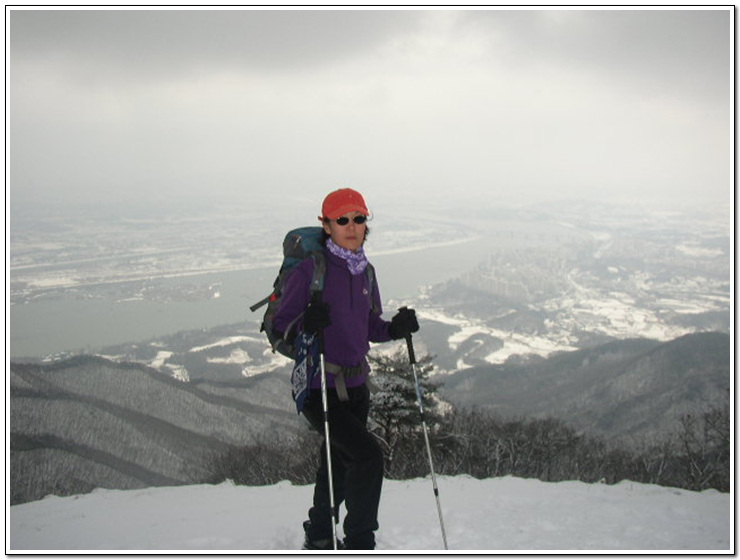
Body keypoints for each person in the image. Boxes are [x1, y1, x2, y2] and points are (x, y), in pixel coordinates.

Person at [272, 188, 419, 550]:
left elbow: (369, 326)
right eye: (342, 220)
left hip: (356, 385)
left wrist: (395, 329)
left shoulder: (365, 272)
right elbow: (281, 327)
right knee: (367, 457)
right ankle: (359, 542)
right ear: (326, 225)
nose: (352, 227)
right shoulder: (312, 269)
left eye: (359, 218)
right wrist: (308, 320)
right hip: (318, 384)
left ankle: (319, 531)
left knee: (337, 460)